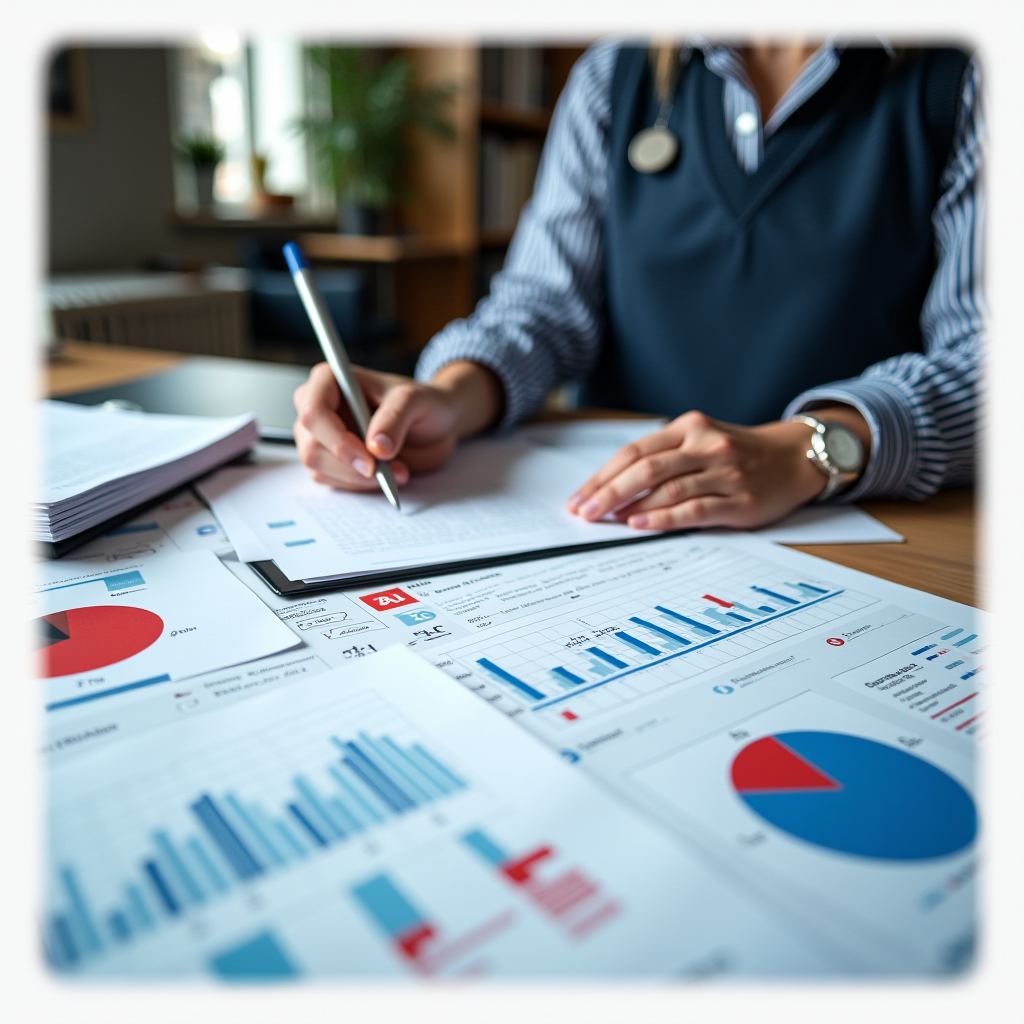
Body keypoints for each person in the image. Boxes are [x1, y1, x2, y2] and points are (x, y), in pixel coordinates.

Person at [293, 38, 983, 532]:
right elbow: (543, 306)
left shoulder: (967, 73)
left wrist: (809, 450)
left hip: (855, 521)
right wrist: (450, 396)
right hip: (613, 517)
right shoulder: (613, 74)